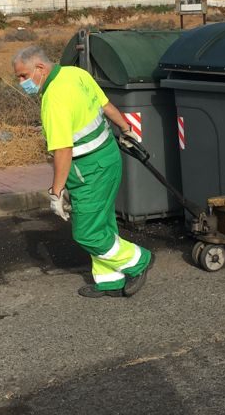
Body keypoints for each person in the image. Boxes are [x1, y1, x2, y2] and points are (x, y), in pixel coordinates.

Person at [12, 46, 153, 298]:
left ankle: (137, 259)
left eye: (23, 76)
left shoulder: (53, 99)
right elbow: (105, 105)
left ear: (40, 68)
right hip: (108, 157)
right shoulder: (76, 74)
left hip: (89, 170)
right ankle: (110, 280)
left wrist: (56, 192)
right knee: (102, 222)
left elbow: (63, 150)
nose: (22, 83)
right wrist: (126, 128)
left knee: (86, 232)